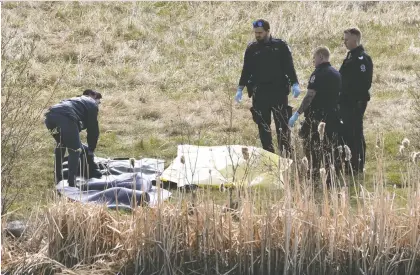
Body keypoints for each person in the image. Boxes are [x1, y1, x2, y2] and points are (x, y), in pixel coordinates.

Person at [235, 19, 301, 155]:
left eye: (260, 32)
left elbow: (289, 66)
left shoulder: (280, 46)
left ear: (268, 31)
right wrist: (240, 88)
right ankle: (268, 156)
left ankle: (285, 155)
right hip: (260, 94)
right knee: (263, 127)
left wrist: (295, 83)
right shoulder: (252, 48)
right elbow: (246, 69)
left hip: (278, 92)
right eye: (255, 33)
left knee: (282, 126)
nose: (257, 35)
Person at [288, 46, 342, 183]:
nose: (313, 61)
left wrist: (297, 113)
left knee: (311, 146)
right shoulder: (337, 74)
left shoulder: (317, 74)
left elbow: (309, 96)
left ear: (321, 57)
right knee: (329, 146)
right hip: (333, 115)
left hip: (316, 116)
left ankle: (314, 174)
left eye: (314, 58)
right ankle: (331, 176)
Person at [44, 89, 102, 186]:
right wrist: (91, 149)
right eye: (98, 102)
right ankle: (72, 183)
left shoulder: (75, 100)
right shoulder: (92, 103)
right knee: (75, 150)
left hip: (50, 117)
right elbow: (93, 130)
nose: (98, 104)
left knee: (61, 144)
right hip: (66, 118)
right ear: (93, 96)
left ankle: (57, 177)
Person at [339, 27, 373, 173]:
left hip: (355, 102)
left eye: (346, 39)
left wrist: (357, 101)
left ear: (355, 39)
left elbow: (363, 83)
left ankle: (358, 165)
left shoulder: (361, 59)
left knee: (355, 132)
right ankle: (350, 163)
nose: (344, 42)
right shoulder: (351, 56)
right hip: (346, 102)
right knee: (348, 131)